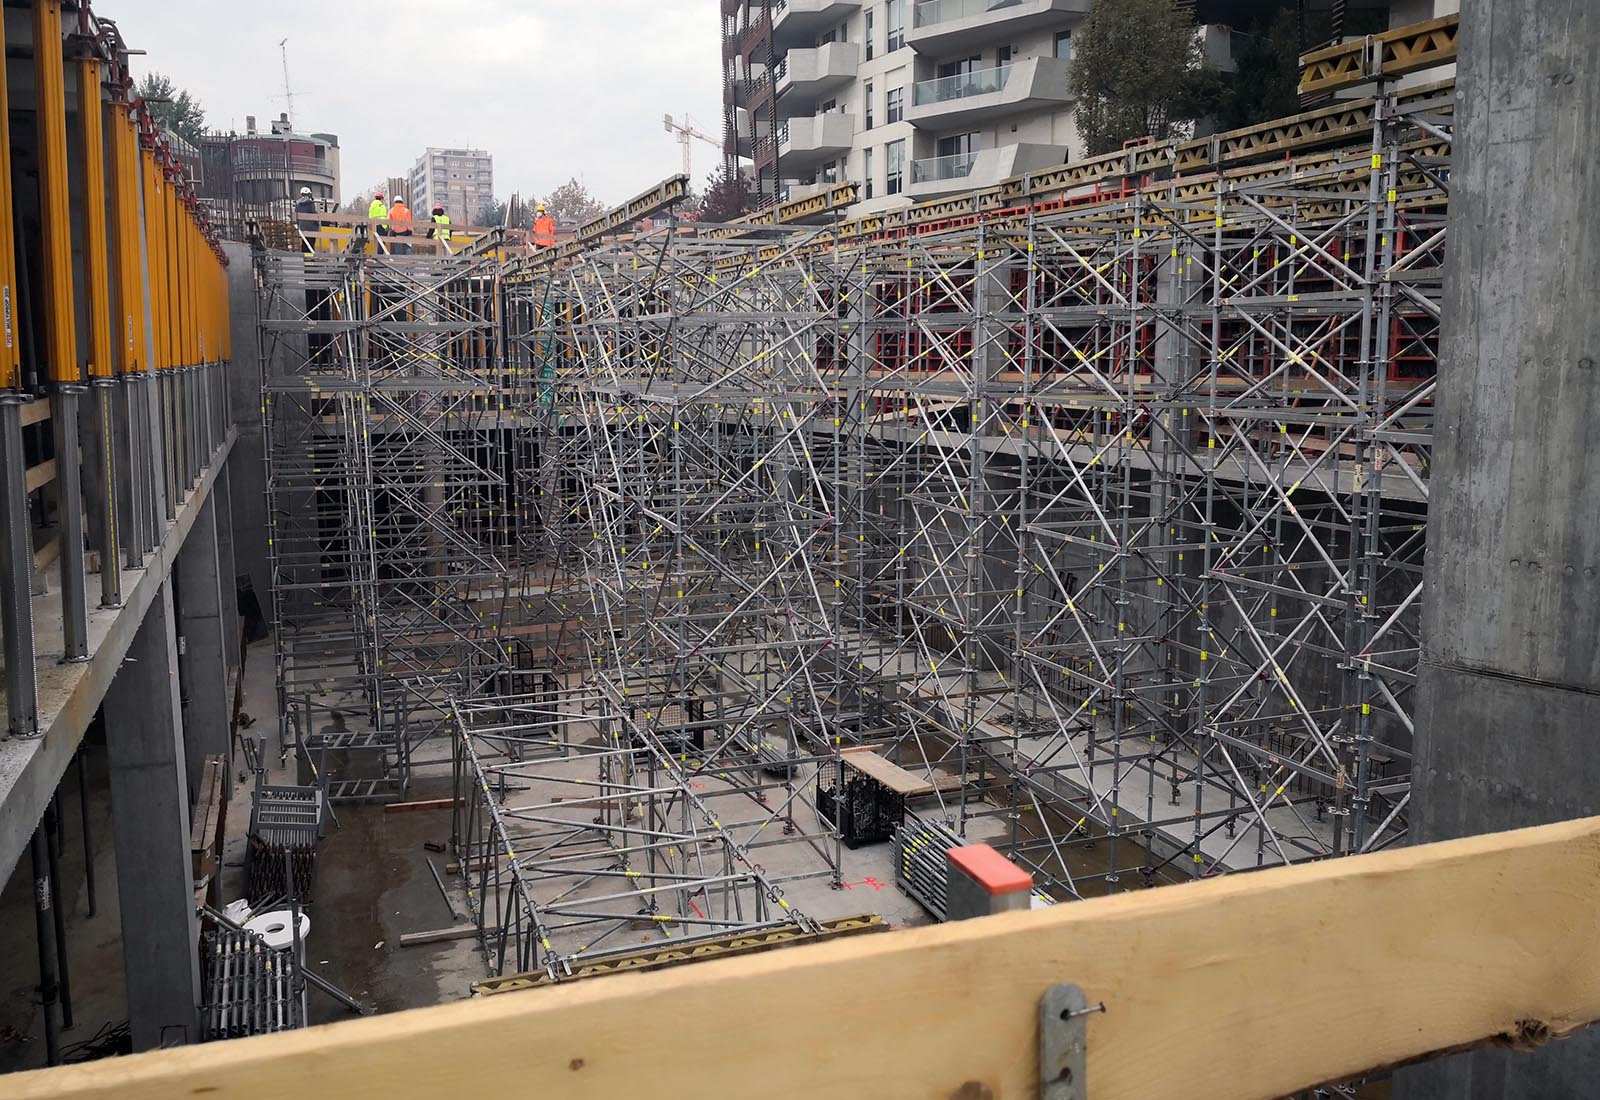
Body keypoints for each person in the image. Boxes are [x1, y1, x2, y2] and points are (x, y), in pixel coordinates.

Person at [294, 186, 318, 254]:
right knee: (311, 244)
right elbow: (314, 216)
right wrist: (317, 225)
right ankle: (310, 258)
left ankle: (304, 258)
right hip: (312, 228)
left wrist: (298, 224)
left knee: (304, 243)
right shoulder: (311, 203)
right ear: (309, 194)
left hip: (302, 227)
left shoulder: (297, 204)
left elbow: (296, 215)